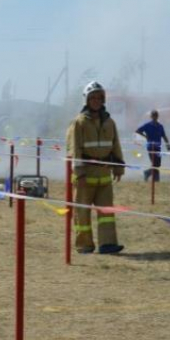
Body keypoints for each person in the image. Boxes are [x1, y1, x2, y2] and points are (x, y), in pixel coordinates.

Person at [66, 81, 125, 255]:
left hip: (104, 175)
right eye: (93, 98)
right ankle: (84, 245)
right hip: (86, 176)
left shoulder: (109, 122)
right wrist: (79, 173)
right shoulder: (79, 123)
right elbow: (74, 149)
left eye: (99, 97)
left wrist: (119, 166)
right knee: (82, 213)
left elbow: (116, 145)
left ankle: (107, 244)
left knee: (106, 213)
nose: (96, 101)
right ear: (87, 100)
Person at [135, 110, 170, 182]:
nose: (155, 117)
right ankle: (156, 179)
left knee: (157, 164)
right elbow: (138, 130)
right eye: (153, 115)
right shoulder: (147, 125)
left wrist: (168, 145)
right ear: (151, 116)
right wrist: (145, 136)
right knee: (155, 163)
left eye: (156, 115)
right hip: (151, 147)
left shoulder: (160, 126)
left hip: (158, 147)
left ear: (157, 116)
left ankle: (147, 173)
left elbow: (164, 136)